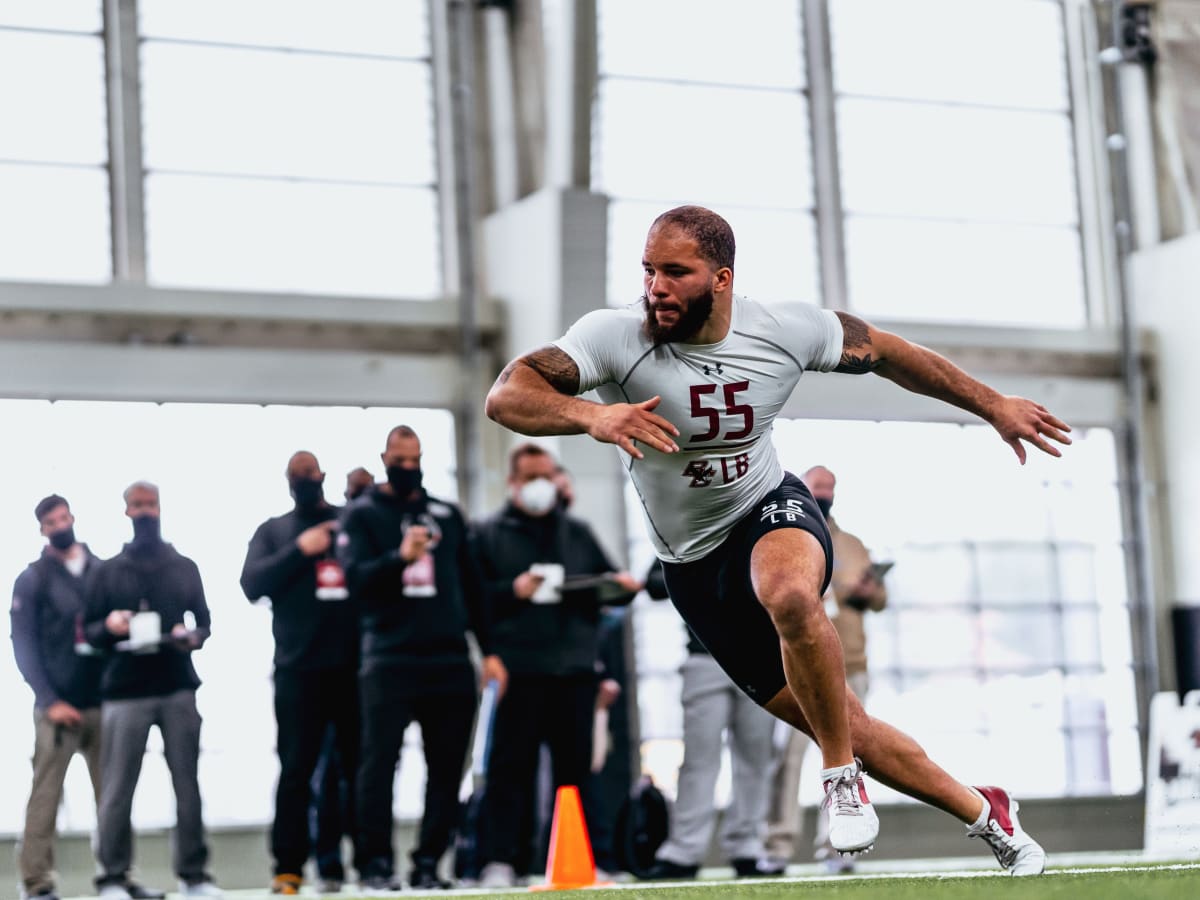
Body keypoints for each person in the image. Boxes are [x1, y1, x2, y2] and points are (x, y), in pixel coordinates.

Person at [483, 205, 1071, 876]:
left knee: (789, 592)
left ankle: (838, 778)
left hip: (768, 508)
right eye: (648, 271)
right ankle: (984, 810)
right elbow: (507, 396)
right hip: (694, 570)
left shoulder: (785, 329)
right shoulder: (614, 337)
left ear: (722, 278)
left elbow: (890, 354)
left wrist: (992, 404)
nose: (656, 288)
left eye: (676, 272)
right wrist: (593, 414)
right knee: (852, 725)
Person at [472, 443, 641, 888]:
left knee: (579, 774)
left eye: (546, 475)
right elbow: (472, 603)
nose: (540, 485)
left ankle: (592, 859)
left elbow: (612, 584)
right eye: (530, 477)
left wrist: (622, 586)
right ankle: (500, 862)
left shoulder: (577, 532)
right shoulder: (488, 534)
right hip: (518, 672)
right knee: (510, 772)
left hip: (574, 672)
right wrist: (512, 591)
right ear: (513, 483)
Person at [339, 425, 495, 890]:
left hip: (448, 660)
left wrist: (490, 652)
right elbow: (355, 581)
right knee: (378, 766)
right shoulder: (362, 516)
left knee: (447, 769)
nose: (409, 468)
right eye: (401, 461)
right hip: (389, 659)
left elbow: (473, 587)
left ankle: (429, 863)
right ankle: (374, 866)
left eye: (416, 460)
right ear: (385, 457)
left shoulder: (445, 513)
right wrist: (399, 558)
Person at [84, 482, 221, 899]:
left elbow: (205, 623)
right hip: (125, 692)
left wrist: (191, 636)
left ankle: (194, 875)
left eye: (151, 504)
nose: (145, 512)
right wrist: (109, 627)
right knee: (117, 789)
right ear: (126, 511)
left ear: (160, 508)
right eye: (137, 505)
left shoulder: (184, 566)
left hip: (176, 686)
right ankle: (112, 877)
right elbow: (88, 630)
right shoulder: (107, 571)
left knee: (188, 784)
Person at [240, 451, 361, 894]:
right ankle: (288, 868)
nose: (306, 480)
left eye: (311, 473)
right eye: (298, 475)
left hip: (353, 669)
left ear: (323, 477)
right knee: (296, 772)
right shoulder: (274, 531)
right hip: (298, 672)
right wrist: (300, 550)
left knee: (358, 771)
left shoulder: (349, 521)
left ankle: (369, 864)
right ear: (288, 482)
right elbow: (251, 584)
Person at [765, 465, 888, 873]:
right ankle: (777, 845)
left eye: (829, 488)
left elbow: (880, 600)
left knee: (848, 756)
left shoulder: (853, 545)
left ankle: (837, 848)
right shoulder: (789, 537)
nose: (824, 493)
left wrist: (870, 591)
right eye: (817, 487)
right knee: (790, 756)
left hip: (851, 665)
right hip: (798, 667)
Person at [640, 562, 785, 880]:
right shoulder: (693, 523)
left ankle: (747, 847)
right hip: (705, 658)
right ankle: (684, 852)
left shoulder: (764, 521)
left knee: (756, 758)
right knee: (698, 759)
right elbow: (652, 583)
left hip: (762, 657)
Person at [11, 495, 110, 900]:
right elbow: (24, 645)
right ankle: (37, 883)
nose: (58, 525)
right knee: (46, 796)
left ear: (73, 518)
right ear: (42, 529)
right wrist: (49, 699)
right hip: (56, 709)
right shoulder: (32, 579)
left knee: (113, 798)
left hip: (103, 704)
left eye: (62, 517)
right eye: (50, 521)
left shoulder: (101, 571)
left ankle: (116, 876)